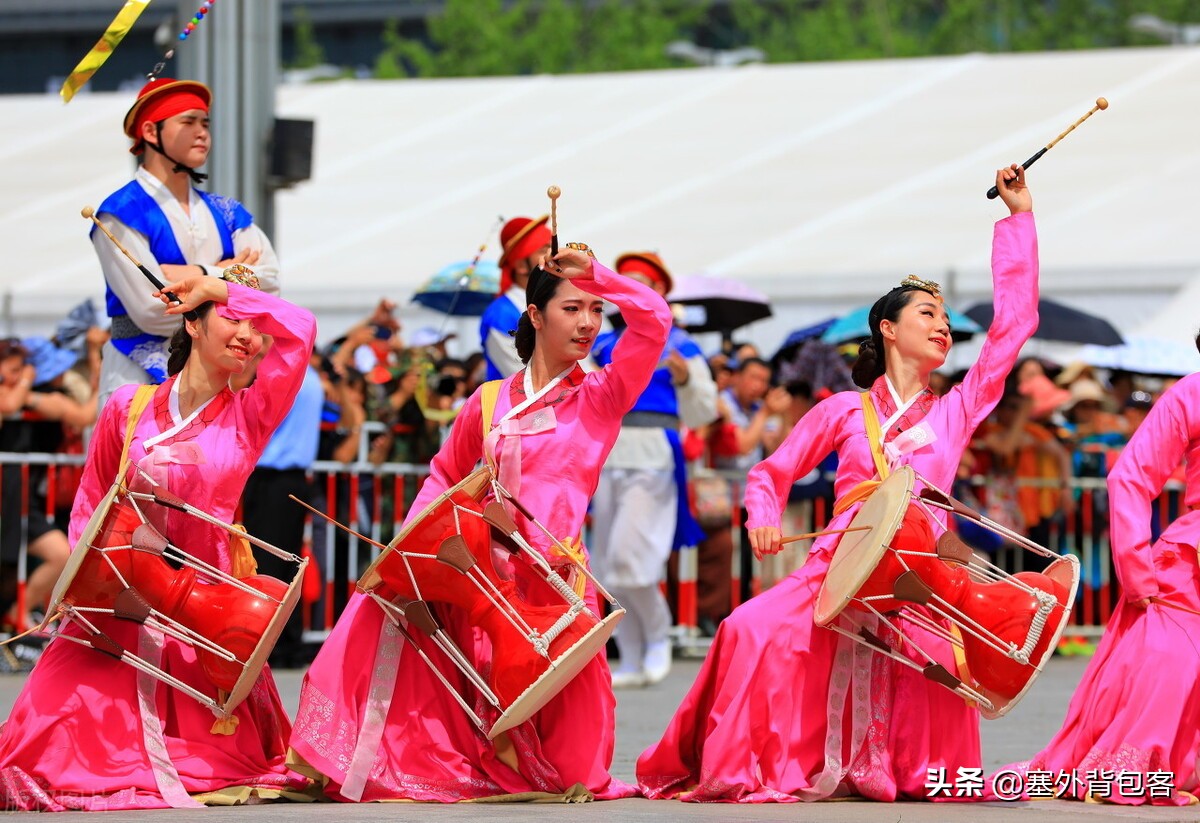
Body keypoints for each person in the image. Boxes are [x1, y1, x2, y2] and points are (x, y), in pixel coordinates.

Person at [637, 165, 1039, 803]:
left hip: (917, 574)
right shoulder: (842, 410)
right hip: (836, 565)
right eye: (927, 314)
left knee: (944, 670)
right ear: (888, 327)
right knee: (748, 628)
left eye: (945, 320)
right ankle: (757, 762)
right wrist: (763, 516)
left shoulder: (956, 411)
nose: (941, 326)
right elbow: (771, 472)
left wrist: (1019, 221)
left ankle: (895, 765)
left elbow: (1012, 326)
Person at [290, 245, 672, 802]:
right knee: (378, 601)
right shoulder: (489, 401)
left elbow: (655, 320)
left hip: (555, 583)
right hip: (481, 574)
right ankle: (349, 753)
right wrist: (417, 543)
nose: (589, 322)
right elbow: (445, 473)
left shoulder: (603, 395)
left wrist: (598, 277)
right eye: (573, 308)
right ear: (536, 317)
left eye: (597, 309)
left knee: (572, 771)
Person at [0, 269, 317, 810]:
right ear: (192, 325)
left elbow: (301, 326)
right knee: (42, 755)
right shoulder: (128, 406)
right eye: (232, 320)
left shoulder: (251, 413)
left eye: (255, 326)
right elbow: (93, 500)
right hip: (120, 587)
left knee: (208, 755)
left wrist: (218, 290)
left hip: (207, 594)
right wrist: (96, 583)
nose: (249, 335)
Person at [986, 349, 1200, 806]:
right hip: (1189, 565)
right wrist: (1136, 567)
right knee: (1167, 664)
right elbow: (1130, 475)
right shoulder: (1192, 393)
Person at [92, 77, 280, 405]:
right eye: (188, 121)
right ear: (151, 132)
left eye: (205, 122)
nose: (202, 132)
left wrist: (194, 273)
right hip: (136, 383)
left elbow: (271, 283)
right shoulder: (120, 213)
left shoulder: (227, 212)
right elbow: (153, 309)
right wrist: (229, 274)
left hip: (211, 385)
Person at [590, 251, 717, 688]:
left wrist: (684, 380)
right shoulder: (602, 343)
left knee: (632, 556)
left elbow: (703, 411)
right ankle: (629, 655)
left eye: (642, 285)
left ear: (659, 293)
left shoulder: (681, 345)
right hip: (607, 453)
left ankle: (658, 639)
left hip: (653, 453)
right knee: (606, 562)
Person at [479, 215, 551, 380]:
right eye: (543, 250)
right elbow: (523, 378)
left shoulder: (555, 303)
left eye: (552, 248)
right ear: (520, 266)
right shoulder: (500, 315)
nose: (552, 256)